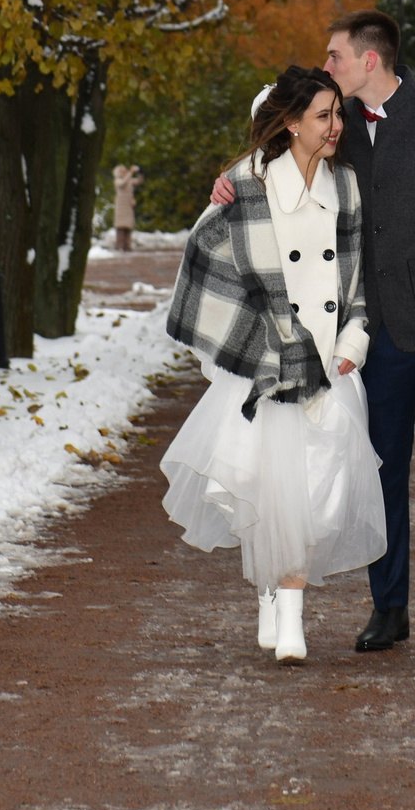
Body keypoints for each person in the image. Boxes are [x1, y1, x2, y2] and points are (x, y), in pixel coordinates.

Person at [220, 9, 415, 667]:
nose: (325, 66)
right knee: (379, 469)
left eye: (334, 56)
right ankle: (388, 607)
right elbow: (282, 155)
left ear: (370, 60)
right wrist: (232, 177)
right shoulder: (338, 126)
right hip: (375, 332)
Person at [160, 67, 385, 663]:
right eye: (324, 116)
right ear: (290, 123)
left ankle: (281, 600)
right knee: (272, 492)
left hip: (332, 367)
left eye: (339, 114)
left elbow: (358, 282)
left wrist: (351, 345)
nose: (336, 126)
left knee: (319, 499)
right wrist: (245, 342)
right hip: (268, 366)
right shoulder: (245, 185)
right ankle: (284, 610)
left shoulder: (349, 188)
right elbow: (206, 258)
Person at [111, 163, 142, 252]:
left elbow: (138, 181)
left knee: (128, 227)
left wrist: (140, 173)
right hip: (121, 207)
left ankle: (127, 246)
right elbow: (122, 183)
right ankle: (119, 245)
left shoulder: (129, 180)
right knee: (121, 227)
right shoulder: (118, 180)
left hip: (128, 206)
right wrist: (130, 172)